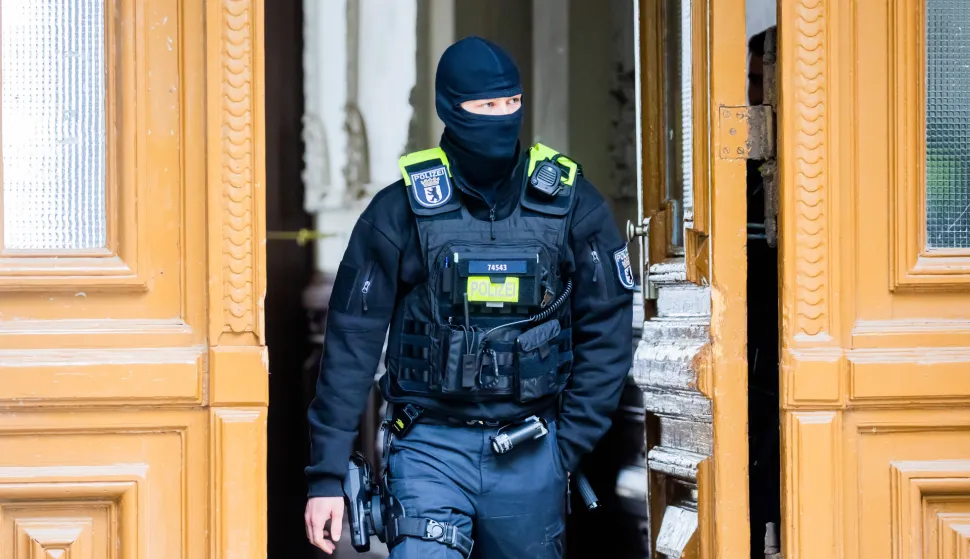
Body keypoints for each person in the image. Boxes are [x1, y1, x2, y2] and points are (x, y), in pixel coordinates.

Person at [304, 35, 633, 558]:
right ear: (450, 110)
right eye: (485, 106)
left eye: (511, 104)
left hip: (531, 451)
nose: (502, 117)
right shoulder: (400, 212)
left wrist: (565, 446)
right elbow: (351, 342)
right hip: (429, 449)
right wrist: (326, 476)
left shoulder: (572, 205)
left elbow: (609, 326)